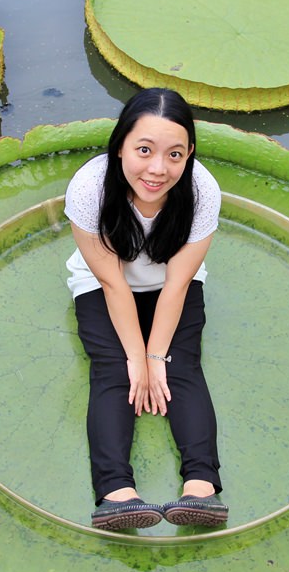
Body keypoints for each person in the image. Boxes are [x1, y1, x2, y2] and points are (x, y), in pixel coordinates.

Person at [64, 88, 228, 531]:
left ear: (189, 153)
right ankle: (115, 494)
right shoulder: (88, 189)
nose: (158, 168)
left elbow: (176, 285)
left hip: (172, 285)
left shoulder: (202, 191)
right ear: (120, 147)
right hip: (102, 285)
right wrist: (136, 358)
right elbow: (113, 282)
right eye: (144, 150)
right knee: (114, 369)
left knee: (181, 367)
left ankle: (202, 488)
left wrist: (157, 357)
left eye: (175, 154)